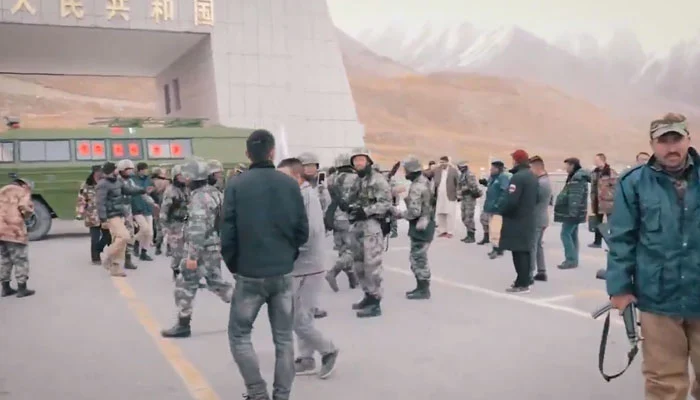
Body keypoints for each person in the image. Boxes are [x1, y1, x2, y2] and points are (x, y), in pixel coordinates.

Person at [606, 113, 700, 399]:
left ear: (688, 139)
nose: (671, 147)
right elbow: (622, 238)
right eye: (663, 141)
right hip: (658, 296)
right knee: (664, 383)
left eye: (676, 139)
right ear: (652, 144)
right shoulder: (633, 182)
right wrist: (620, 288)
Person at [221, 129, 308, 400]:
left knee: (239, 335)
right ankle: (282, 395)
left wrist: (235, 265)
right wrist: (287, 256)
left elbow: (227, 231)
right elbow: (302, 231)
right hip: (282, 272)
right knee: (284, 338)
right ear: (272, 152)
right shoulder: (290, 185)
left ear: (248, 154)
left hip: (249, 272)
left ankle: (257, 393)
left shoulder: (236, 185)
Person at [277, 157, 339, 380]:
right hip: (296, 266)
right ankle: (306, 358)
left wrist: (286, 248)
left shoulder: (307, 197)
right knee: (300, 316)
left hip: (308, 265)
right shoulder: (292, 195)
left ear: (297, 176)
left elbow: (310, 232)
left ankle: (328, 350)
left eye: (283, 176)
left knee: (298, 320)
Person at [161, 159, 233, 338]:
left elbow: (198, 228)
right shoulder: (215, 193)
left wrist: (192, 256)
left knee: (184, 284)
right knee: (216, 282)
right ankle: (244, 306)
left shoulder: (199, 198)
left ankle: (183, 324)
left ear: (190, 177)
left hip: (201, 248)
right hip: (213, 245)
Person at [343, 147, 391, 318]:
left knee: (372, 265)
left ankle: (375, 302)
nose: (358, 163)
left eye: (361, 160)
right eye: (355, 160)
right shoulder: (357, 180)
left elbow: (386, 203)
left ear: (369, 161)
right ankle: (368, 295)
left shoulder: (378, 180)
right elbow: (351, 199)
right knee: (359, 264)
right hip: (358, 225)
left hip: (372, 225)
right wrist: (348, 206)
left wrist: (366, 211)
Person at [393, 156, 435, 300]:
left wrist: (399, 214)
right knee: (419, 258)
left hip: (420, 227)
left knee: (418, 259)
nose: (405, 173)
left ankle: (423, 290)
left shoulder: (417, 187)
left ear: (411, 171)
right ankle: (421, 287)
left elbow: (414, 212)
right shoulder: (425, 181)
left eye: (406, 170)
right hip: (427, 222)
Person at [95, 161, 146, 277]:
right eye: (116, 169)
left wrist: (142, 190)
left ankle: (116, 267)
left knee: (120, 243)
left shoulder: (117, 181)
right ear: (111, 170)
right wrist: (103, 219)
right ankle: (108, 256)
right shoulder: (103, 184)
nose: (117, 170)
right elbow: (100, 203)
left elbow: (128, 190)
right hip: (111, 216)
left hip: (120, 214)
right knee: (124, 236)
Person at [498, 150, 538, 293]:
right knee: (525, 251)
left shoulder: (518, 177)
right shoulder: (532, 176)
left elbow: (512, 201)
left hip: (517, 219)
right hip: (528, 218)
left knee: (518, 252)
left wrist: (502, 210)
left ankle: (522, 283)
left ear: (517, 160)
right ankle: (525, 279)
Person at [325, 153, 359, 292]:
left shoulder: (330, 178)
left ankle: (352, 278)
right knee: (352, 250)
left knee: (342, 250)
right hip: (348, 218)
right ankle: (333, 272)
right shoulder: (356, 178)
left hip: (334, 218)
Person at [0, 178, 35, 298]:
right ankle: (22, 288)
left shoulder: (2, 190)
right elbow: (25, 207)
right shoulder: (22, 191)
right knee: (20, 259)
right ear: (24, 185)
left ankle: (5, 288)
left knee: (5, 259)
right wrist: (27, 215)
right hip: (15, 231)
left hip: (1, 231)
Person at [553, 157, 590, 270]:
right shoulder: (575, 177)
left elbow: (575, 197)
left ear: (572, 165)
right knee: (572, 234)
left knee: (565, 234)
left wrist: (572, 212)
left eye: (567, 165)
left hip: (573, 212)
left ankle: (570, 259)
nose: (565, 168)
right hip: (576, 212)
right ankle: (574, 260)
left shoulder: (577, 179)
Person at [77, 165, 112, 265]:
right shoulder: (87, 185)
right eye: (98, 171)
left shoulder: (106, 183)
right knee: (95, 238)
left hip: (105, 214)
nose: (100, 173)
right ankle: (95, 258)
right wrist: (80, 212)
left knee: (108, 236)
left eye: (102, 171)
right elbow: (81, 199)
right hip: (92, 215)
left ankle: (109, 255)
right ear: (94, 172)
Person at [159, 164, 189, 280]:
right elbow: (164, 209)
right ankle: (176, 269)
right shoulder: (170, 191)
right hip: (175, 223)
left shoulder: (187, 189)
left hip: (187, 222)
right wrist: (164, 226)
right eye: (180, 175)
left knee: (190, 249)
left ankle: (187, 271)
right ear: (175, 177)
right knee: (178, 250)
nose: (183, 177)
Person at [528, 156, 552, 282]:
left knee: (532, 246)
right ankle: (541, 271)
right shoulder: (545, 181)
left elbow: (533, 201)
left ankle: (529, 273)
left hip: (536, 218)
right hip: (542, 217)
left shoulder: (540, 183)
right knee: (538, 245)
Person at [478, 160, 509, 258]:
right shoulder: (492, 177)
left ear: (498, 169)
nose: (491, 169)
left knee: (496, 230)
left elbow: (505, 192)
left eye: (492, 168)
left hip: (496, 208)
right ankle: (491, 242)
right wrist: (484, 183)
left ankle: (497, 249)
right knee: (487, 224)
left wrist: (498, 204)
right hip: (489, 206)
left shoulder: (503, 178)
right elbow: (491, 186)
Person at [589, 153, 618, 248]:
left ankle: (613, 243)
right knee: (598, 222)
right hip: (597, 201)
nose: (595, 162)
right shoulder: (594, 172)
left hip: (609, 201)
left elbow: (616, 187)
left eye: (597, 160)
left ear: (603, 160)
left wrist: (609, 195)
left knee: (611, 223)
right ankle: (597, 242)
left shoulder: (610, 172)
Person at [132, 162, 155, 261]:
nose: (146, 171)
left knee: (150, 233)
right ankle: (132, 241)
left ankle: (144, 252)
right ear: (139, 170)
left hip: (147, 207)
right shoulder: (132, 179)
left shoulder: (148, 179)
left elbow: (151, 189)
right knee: (144, 228)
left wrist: (151, 190)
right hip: (137, 207)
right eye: (144, 169)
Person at [433, 156, 459, 238]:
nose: (442, 164)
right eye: (441, 162)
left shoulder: (453, 171)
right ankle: (442, 231)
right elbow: (427, 174)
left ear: (447, 162)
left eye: (443, 162)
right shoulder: (437, 170)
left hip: (450, 196)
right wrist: (434, 167)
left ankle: (450, 232)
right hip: (440, 196)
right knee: (440, 213)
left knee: (450, 214)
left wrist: (458, 194)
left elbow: (458, 183)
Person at [456, 160, 481, 243]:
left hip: (470, 198)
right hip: (464, 198)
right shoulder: (462, 175)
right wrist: (459, 195)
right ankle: (468, 234)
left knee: (469, 217)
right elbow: (459, 186)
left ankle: (471, 236)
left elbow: (473, 186)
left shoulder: (469, 175)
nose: (459, 169)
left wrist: (465, 189)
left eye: (460, 167)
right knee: (463, 217)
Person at [151, 167, 170, 255]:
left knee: (158, 228)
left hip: (155, 206)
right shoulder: (166, 182)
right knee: (169, 228)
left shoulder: (151, 182)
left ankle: (158, 247)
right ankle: (169, 249)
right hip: (165, 206)